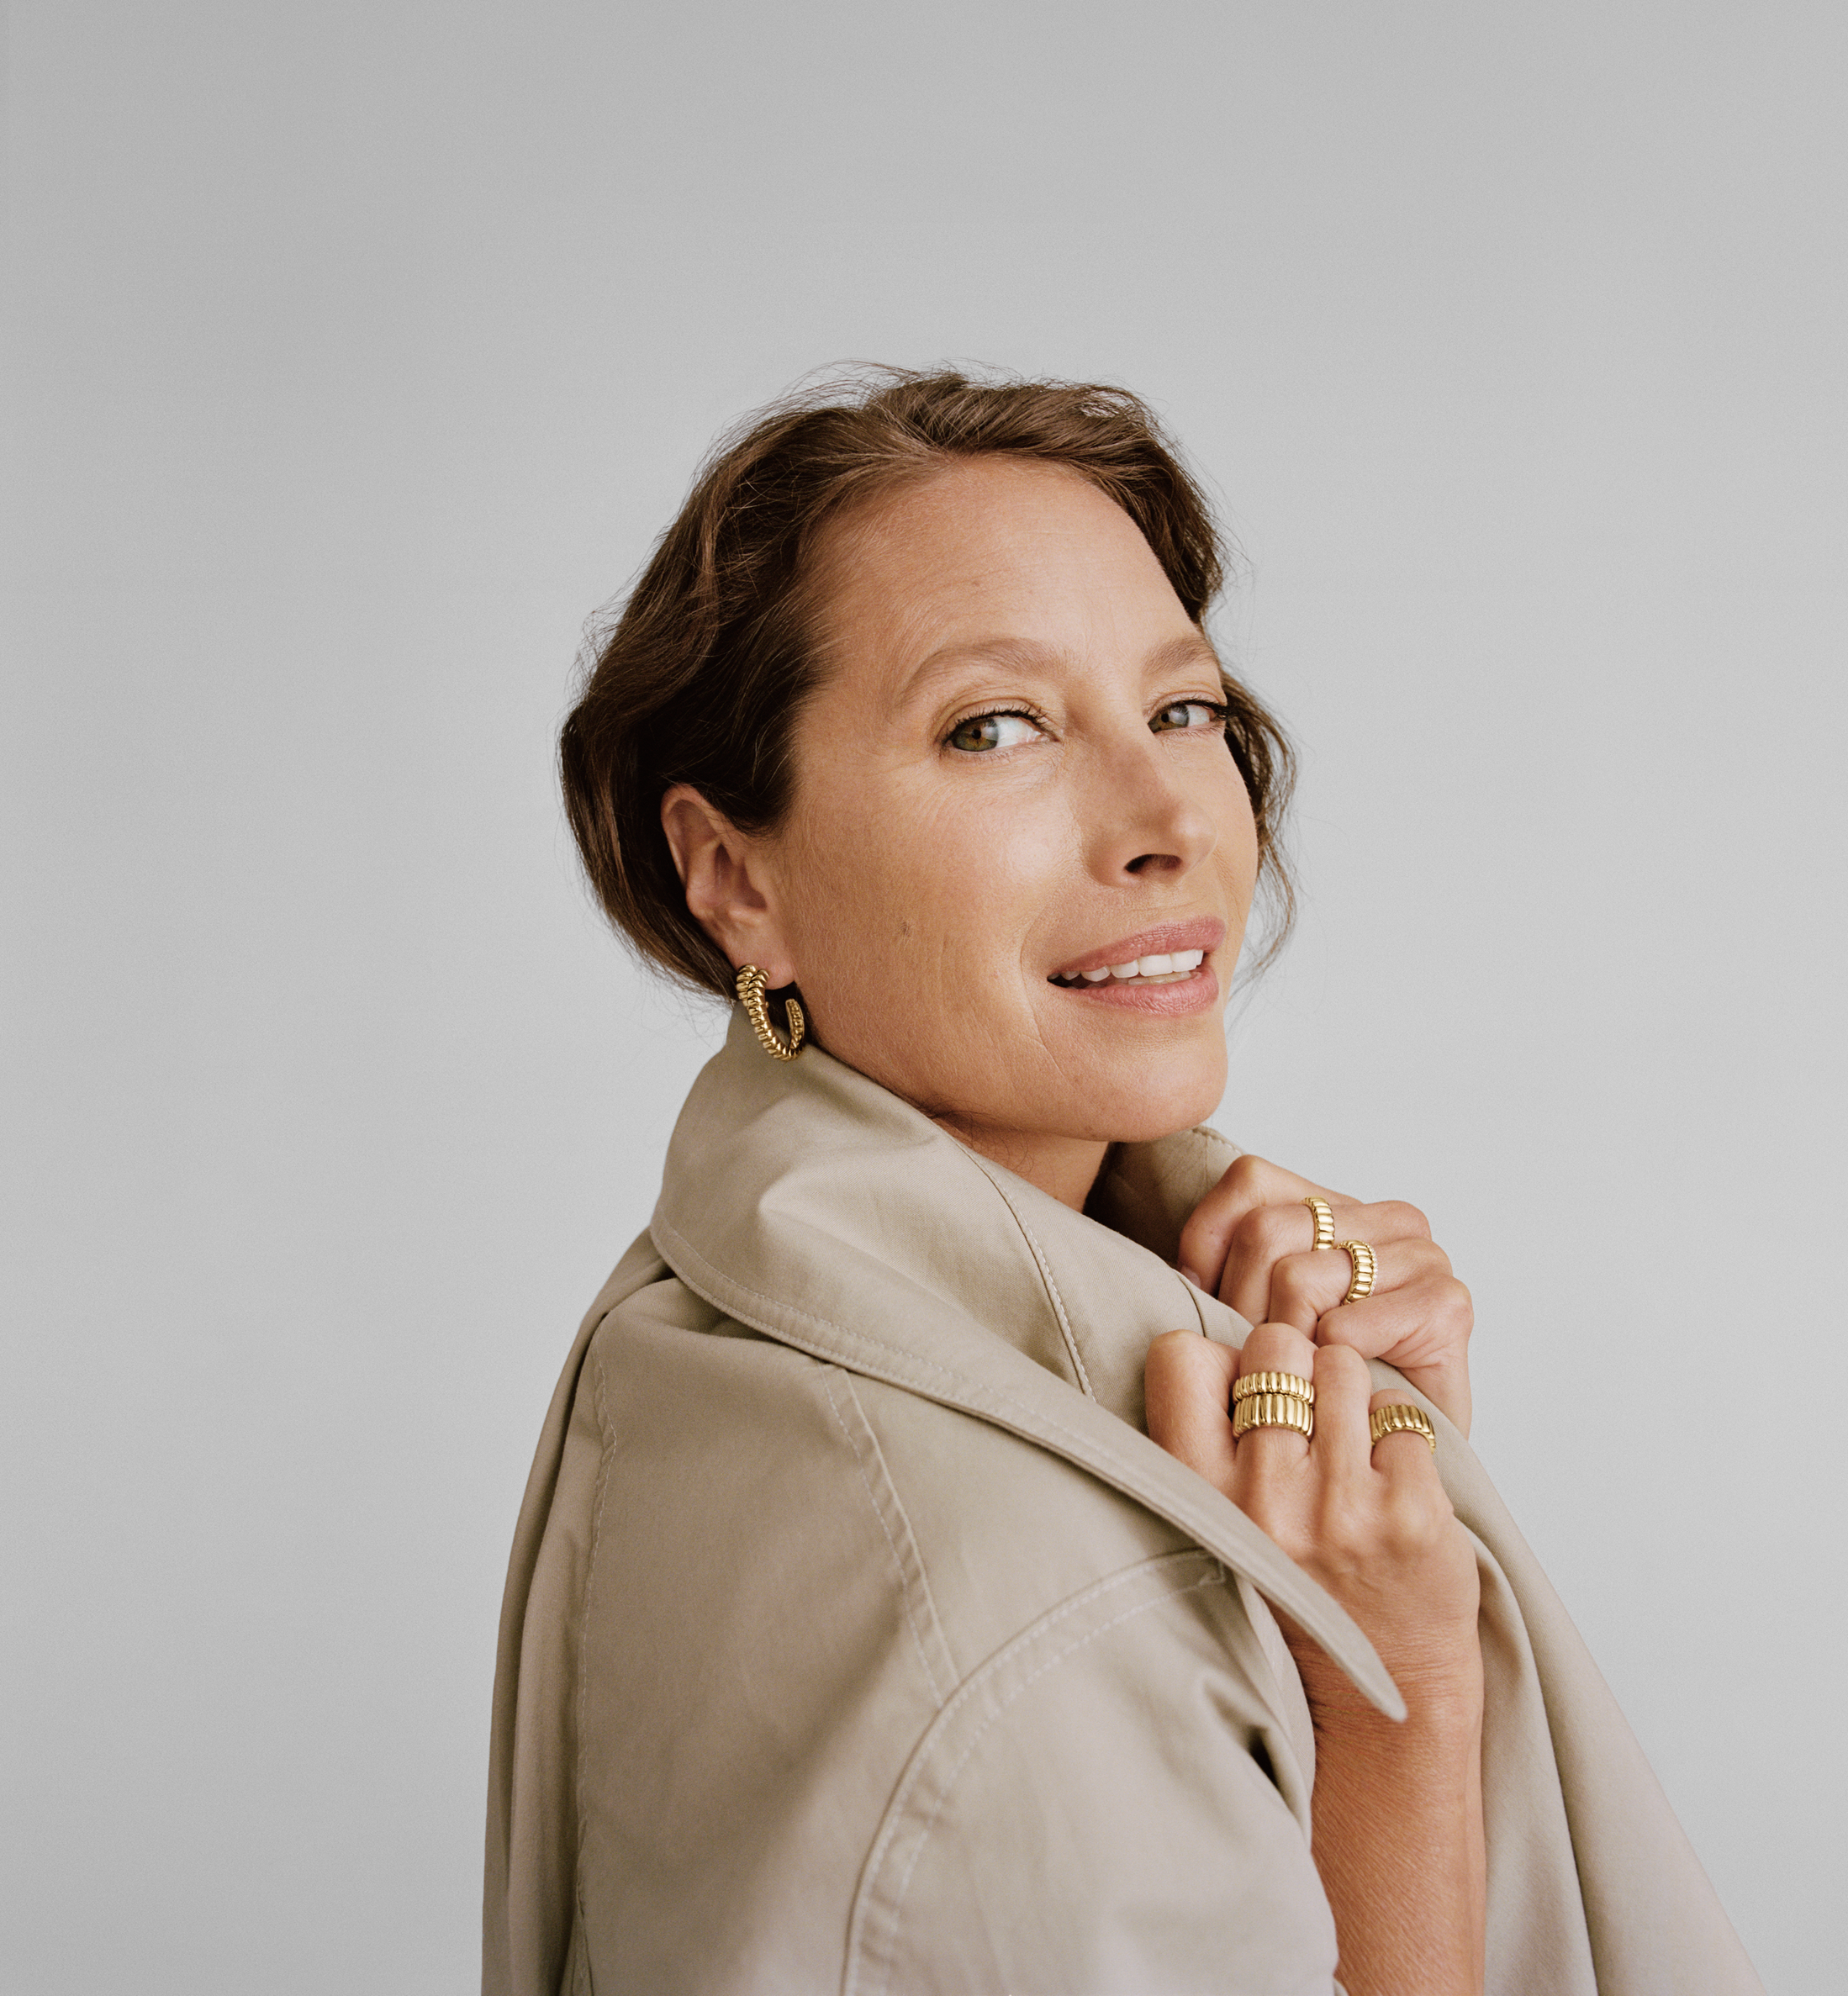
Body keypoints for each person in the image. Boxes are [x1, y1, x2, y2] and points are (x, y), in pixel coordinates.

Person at [484, 369, 1764, 1995]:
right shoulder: (1037, 1615)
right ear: (736, 874)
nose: (1171, 817)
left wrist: (1378, 1480)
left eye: (1184, 710)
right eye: (995, 726)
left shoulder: (698, 1327)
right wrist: (1399, 1691)